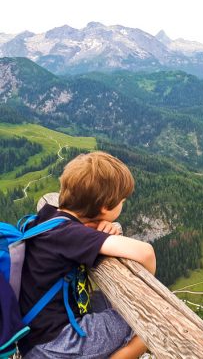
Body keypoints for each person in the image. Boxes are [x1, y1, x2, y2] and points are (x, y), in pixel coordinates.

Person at [19, 151, 156, 359]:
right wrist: (146, 295)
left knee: (108, 301)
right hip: (59, 344)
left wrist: (94, 227)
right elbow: (146, 253)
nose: (123, 204)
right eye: (122, 201)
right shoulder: (72, 235)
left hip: (33, 338)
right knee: (149, 319)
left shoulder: (47, 219)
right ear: (104, 207)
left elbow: (73, 235)